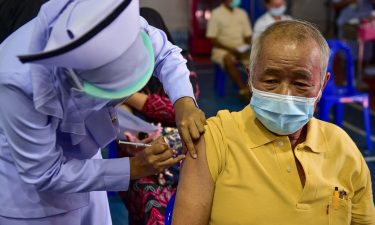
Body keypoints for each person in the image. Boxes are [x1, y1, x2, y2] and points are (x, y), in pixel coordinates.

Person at [0, 0, 206, 224]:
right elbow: (45, 172)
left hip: (87, 163)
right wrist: (132, 168)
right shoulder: (18, 82)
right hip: (33, 198)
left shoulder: (110, 20)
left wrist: (184, 101)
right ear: (78, 82)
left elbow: (166, 53)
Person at [172, 20, 375, 225]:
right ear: (251, 78)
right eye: (270, 81)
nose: (284, 95)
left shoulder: (343, 149)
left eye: (300, 83)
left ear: (323, 84)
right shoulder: (215, 141)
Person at [206, 0, 252, 101]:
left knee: (255, 60)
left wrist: (247, 46)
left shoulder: (242, 13)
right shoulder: (216, 14)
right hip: (222, 50)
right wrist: (231, 50)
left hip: (241, 49)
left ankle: (250, 89)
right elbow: (212, 38)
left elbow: (248, 35)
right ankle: (243, 89)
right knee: (228, 59)